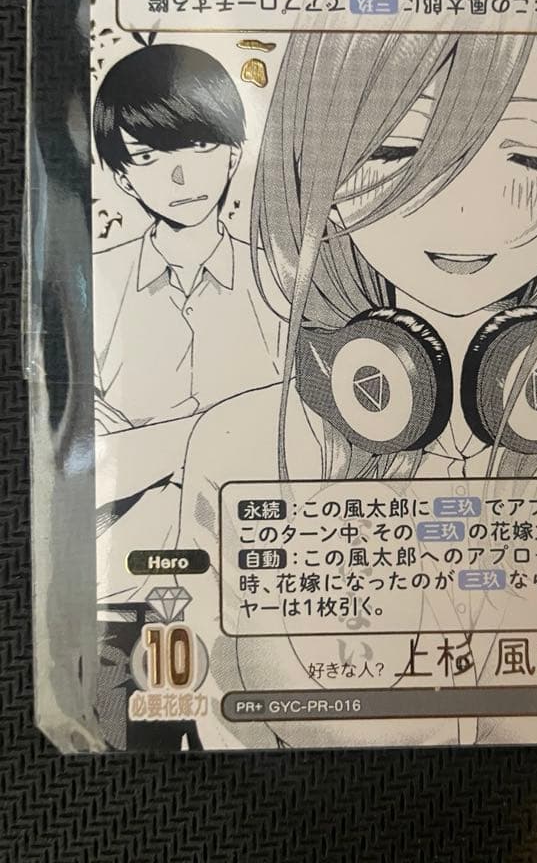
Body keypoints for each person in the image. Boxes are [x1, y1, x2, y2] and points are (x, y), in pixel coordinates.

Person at [177, 0, 537, 749]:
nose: (465, 211)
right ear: (319, 179)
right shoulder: (238, 448)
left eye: (531, 157)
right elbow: (216, 720)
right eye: (397, 155)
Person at [91, 43, 285, 747]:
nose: (178, 176)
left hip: (258, 599)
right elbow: (83, 469)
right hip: (121, 603)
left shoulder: (282, 289)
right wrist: (218, 430)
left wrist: (150, 442)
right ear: (121, 174)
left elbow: (300, 444)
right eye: (147, 157)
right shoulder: (97, 286)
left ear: (233, 152)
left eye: (199, 147)